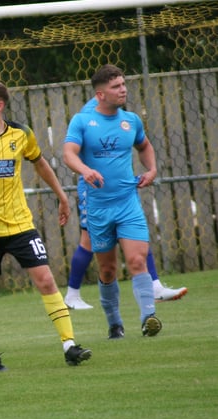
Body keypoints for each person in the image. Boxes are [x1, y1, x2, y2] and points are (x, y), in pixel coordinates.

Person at [0, 80, 92, 371]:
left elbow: (40, 163)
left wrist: (62, 196)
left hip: (20, 225)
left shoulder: (21, 134)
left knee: (46, 279)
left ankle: (70, 345)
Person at [63, 64, 163, 339]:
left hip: (127, 202)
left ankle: (148, 318)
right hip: (97, 207)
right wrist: (85, 170)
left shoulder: (131, 120)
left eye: (123, 84)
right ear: (100, 94)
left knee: (136, 260)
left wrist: (152, 170)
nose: (123, 90)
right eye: (116, 86)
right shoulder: (82, 121)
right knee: (107, 269)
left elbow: (144, 146)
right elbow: (68, 154)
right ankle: (115, 323)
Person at [64, 177, 187, 310]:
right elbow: (72, 157)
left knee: (136, 235)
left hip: (121, 186)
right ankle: (72, 295)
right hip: (95, 188)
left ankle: (155, 287)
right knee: (87, 239)